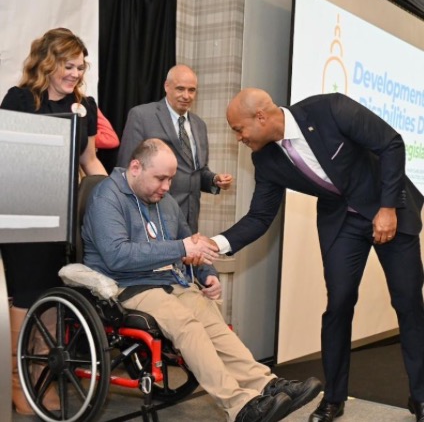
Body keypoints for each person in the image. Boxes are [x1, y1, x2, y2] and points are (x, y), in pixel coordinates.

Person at [203, 88, 424, 422]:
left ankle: (421, 397)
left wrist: (388, 207)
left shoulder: (329, 109)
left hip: (387, 206)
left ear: (260, 117)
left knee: (408, 303)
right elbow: (260, 217)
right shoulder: (265, 159)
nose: (238, 138)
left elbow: (390, 142)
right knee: (338, 304)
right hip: (342, 222)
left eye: (239, 129)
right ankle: (334, 398)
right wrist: (215, 244)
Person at [82, 138, 322, 422]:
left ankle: (264, 383)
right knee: (187, 325)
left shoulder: (163, 200)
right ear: (135, 167)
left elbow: (191, 242)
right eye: (160, 178)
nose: (167, 187)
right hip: (126, 284)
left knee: (213, 322)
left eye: (170, 179)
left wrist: (207, 275)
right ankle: (238, 406)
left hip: (168, 280)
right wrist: (182, 248)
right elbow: (117, 256)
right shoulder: (106, 197)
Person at [0, 27, 108, 415]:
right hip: (26, 215)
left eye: (80, 67)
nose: (76, 73)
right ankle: (17, 379)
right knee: (28, 294)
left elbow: (90, 161)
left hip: (66, 220)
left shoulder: (86, 106)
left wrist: (112, 198)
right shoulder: (20, 99)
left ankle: (41, 374)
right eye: (69, 65)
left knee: (55, 297)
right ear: (48, 62)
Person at [117, 64, 233, 233]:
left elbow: (196, 171)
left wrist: (214, 180)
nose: (186, 96)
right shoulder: (142, 116)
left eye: (192, 90)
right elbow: (127, 169)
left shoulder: (200, 125)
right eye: (180, 89)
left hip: (189, 219)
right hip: (152, 215)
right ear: (166, 86)